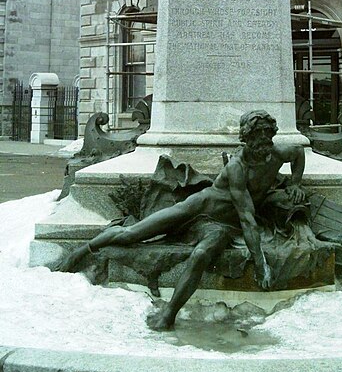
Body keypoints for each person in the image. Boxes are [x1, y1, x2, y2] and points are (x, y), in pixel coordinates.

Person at [56, 110, 306, 330]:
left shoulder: (279, 153)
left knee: (201, 254)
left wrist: (295, 183)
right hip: (199, 207)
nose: (263, 139)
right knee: (132, 234)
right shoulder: (237, 168)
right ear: (246, 137)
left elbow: (298, 155)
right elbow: (248, 218)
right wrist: (260, 263)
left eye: (267, 133)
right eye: (257, 134)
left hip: (223, 226)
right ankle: (83, 251)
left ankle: (169, 313)